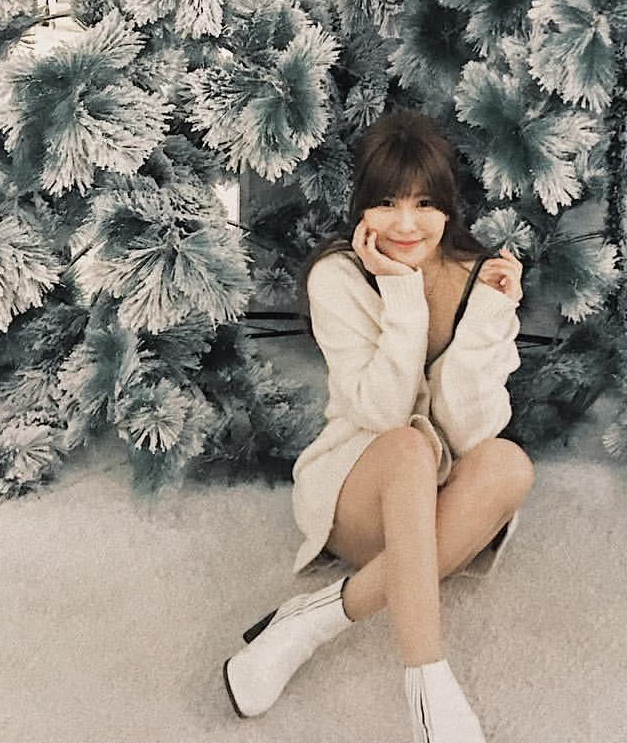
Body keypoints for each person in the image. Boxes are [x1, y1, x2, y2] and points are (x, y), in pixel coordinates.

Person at [222, 110, 535, 742]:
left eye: (424, 203)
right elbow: (384, 415)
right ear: (361, 209)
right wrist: (401, 296)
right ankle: (428, 684)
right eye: (386, 202)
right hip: (358, 490)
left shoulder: (479, 278)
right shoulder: (337, 276)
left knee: (509, 463)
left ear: (447, 208)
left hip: (436, 502)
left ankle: (313, 619)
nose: (405, 224)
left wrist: (486, 320)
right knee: (407, 447)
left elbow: (470, 433)